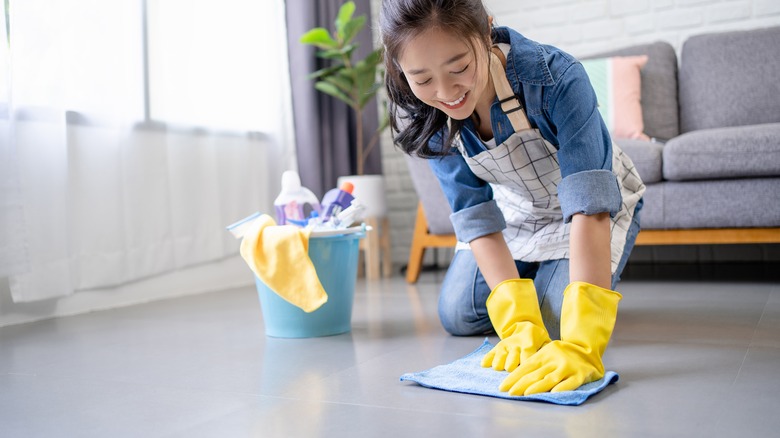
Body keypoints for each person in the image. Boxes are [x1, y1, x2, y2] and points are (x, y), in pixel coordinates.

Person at [379, 0, 645, 396]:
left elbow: (590, 207)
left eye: (460, 68)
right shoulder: (425, 113)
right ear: (401, 70)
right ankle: (538, 287)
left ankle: (554, 286)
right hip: (520, 210)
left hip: (593, 210)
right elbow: (475, 213)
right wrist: (518, 321)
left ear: (487, 31)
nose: (445, 92)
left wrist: (581, 343)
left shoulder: (557, 79)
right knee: (457, 312)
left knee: (557, 325)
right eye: (422, 78)